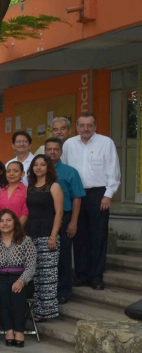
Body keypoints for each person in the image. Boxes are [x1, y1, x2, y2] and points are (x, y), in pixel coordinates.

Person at [62, 113, 120, 291]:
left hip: (98, 194)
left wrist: (108, 194)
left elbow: (113, 169)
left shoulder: (106, 142)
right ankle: (81, 274)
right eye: (82, 125)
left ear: (95, 126)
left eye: (89, 125)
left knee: (98, 236)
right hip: (76, 195)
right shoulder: (69, 144)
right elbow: (64, 170)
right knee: (79, 235)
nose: (85, 128)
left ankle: (96, 276)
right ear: (77, 127)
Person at [0, 209, 36, 347]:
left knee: (17, 290)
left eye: (8, 220)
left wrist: (21, 280)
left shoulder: (25, 241)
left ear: (15, 222)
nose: (5, 223)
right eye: (1, 221)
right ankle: (9, 330)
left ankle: (19, 330)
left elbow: (31, 266)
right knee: (1, 292)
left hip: (21, 277)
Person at [44, 137, 85, 304]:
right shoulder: (39, 170)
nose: (52, 152)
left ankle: (63, 291)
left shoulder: (70, 172)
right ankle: (47, 289)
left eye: (56, 149)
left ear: (61, 152)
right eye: (49, 149)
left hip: (65, 217)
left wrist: (73, 221)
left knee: (63, 256)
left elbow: (77, 198)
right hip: (45, 218)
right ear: (45, 151)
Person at [26, 155, 63, 320]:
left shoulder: (54, 186)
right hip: (31, 233)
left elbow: (59, 213)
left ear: (48, 167)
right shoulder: (30, 187)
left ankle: (47, 311)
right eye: (36, 165)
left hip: (48, 233)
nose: (39, 167)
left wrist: (53, 236)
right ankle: (36, 310)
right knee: (34, 274)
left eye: (42, 165)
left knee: (47, 275)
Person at [0, 161, 29, 226]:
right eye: (8, 171)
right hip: (2, 230)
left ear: (22, 173)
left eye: (15, 171)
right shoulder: (0, 192)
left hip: (20, 230)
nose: (11, 174)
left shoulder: (26, 190)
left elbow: (25, 213)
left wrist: (15, 230)